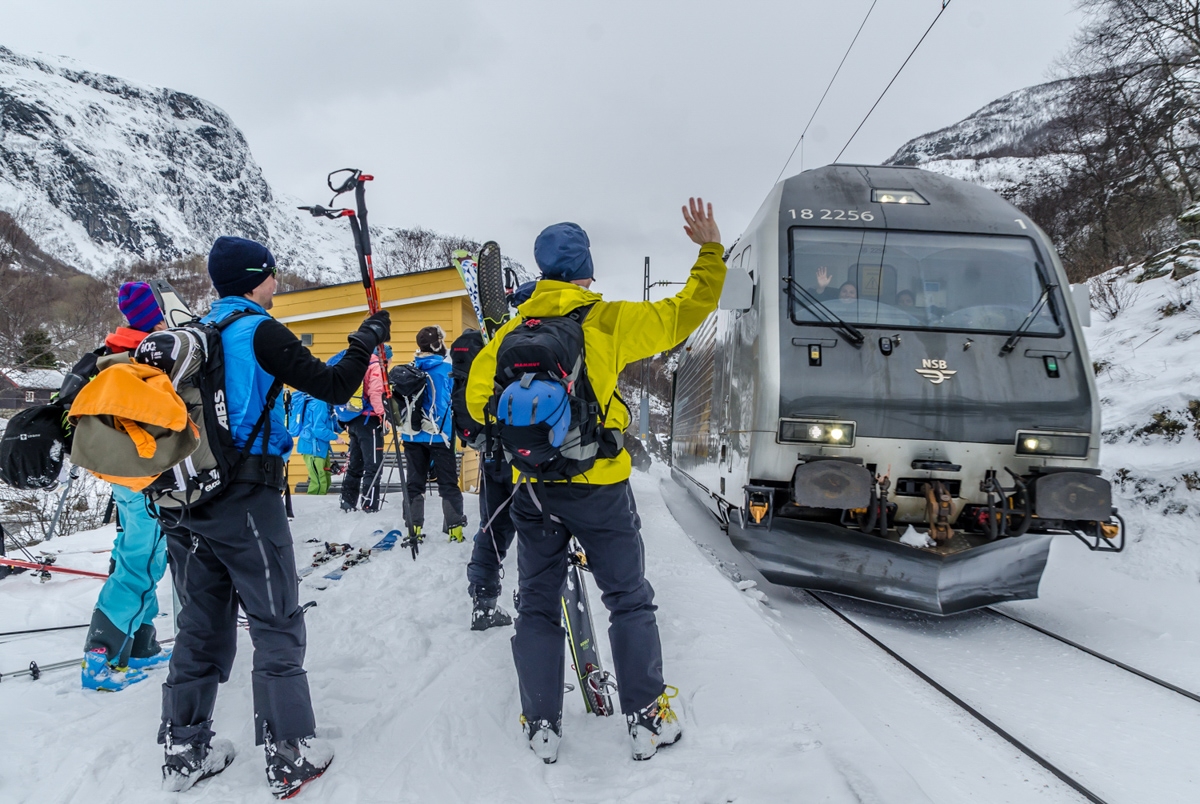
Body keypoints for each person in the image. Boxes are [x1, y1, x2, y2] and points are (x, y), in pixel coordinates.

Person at [465, 198, 726, 763]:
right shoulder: (607, 320)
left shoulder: (510, 330)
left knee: (536, 604)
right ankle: (646, 719)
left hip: (531, 492)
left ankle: (541, 725)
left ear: (539, 272)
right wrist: (709, 251)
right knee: (628, 599)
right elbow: (688, 308)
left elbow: (478, 403)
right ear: (586, 270)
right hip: (600, 488)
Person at [156, 236, 390, 797]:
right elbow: (333, 385)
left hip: (188, 501)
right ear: (257, 277)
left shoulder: (197, 331)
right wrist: (365, 341)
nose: (277, 282)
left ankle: (185, 750)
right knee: (275, 617)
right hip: (247, 498)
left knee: (199, 625)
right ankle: (289, 751)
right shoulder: (256, 328)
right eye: (272, 274)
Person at [76, 281, 172, 691]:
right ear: (157, 316)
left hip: (118, 473)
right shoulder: (148, 356)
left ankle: (141, 642)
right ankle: (103, 654)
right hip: (142, 475)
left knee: (135, 553)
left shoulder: (110, 351)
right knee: (142, 558)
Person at [401, 325, 467, 542]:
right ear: (437, 344)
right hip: (440, 435)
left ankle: (414, 530)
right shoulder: (445, 369)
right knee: (448, 482)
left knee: (414, 482)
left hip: (411, 434)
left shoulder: (411, 368)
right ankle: (455, 530)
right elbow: (455, 401)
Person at [338, 345, 390, 513]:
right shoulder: (375, 367)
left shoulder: (358, 364)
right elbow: (376, 394)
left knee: (355, 464)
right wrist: (384, 416)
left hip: (353, 420)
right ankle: (369, 504)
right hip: (369, 421)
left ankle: (347, 501)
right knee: (373, 465)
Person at [287, 391, 346, 495]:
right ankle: (314, 507)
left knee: (325, 481)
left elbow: (331, 425)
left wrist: (346, 424)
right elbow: (318, 429)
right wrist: (336, 437)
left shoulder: (326, 404)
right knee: (318, 483)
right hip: (313, 448)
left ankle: (320, 507)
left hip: (321, 448)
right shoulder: (319, 404)